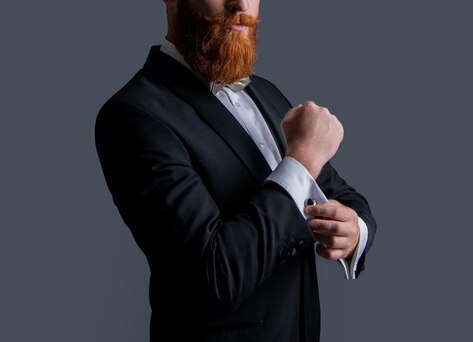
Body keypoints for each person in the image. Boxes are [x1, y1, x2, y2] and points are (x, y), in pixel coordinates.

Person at [94, 0, 377, 341]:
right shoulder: (133, 115)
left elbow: (341, 194)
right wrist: (300, 161)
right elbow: (216, 275)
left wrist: (354, 231)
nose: (241, 4)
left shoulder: (267, 93)